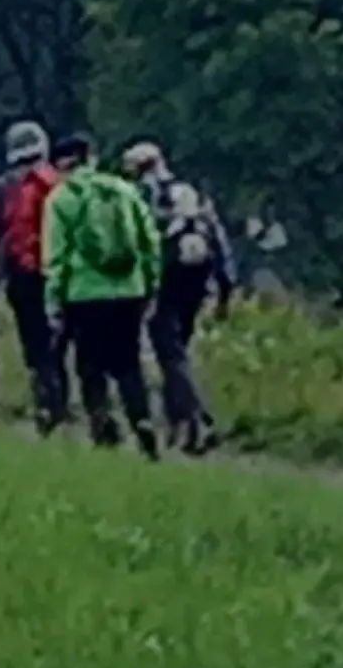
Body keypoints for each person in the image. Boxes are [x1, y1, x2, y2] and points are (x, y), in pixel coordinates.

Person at [43, 132, 163, 460]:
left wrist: (54, 300)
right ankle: (142, 421)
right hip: (129, 291)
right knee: (128, 364)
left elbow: (56, 256)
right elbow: (149, 241)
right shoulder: (125, 191)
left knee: (90, 365)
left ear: (62, 164)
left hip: (83, 295)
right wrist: (151, 283)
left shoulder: (62, 198)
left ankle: (103, 427)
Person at [123, 140, 235, 454]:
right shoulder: (191, 192)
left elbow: (139, 240)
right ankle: (181, 428)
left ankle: (200, 420)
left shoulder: (142, 194)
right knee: (177, 351)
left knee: (169, 351)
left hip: (168, 274)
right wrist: (225, 289)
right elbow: (219, 239)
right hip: (198, 277)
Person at [0, 121, 67, 432]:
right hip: (64, 274)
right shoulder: (61, 182)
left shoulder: (3, 188)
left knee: (35, 343)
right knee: (60, 342)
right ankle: (67, 402)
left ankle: (46, 406)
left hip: (24, 275)